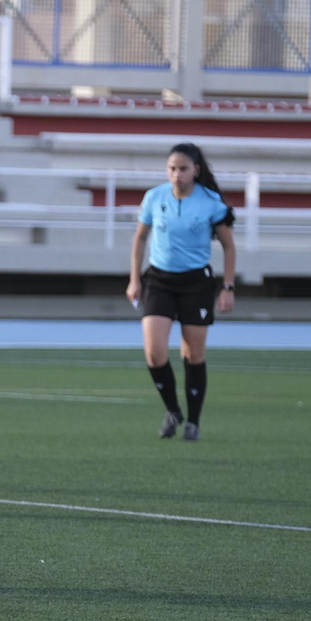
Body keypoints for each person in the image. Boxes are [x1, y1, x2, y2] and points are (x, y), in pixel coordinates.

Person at [125, 142, 236, 442]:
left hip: (196, 283)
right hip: (159, 280)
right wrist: (134, 279)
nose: (177, 175)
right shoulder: (154, 197)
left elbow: (228, 246)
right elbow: (139, 240)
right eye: (172, 168)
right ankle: (173, 410)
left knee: (193, 354)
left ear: (196, 170)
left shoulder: (211, 202)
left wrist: (227, 287)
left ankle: (194, 421)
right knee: (154, 352)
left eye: (183, 169)